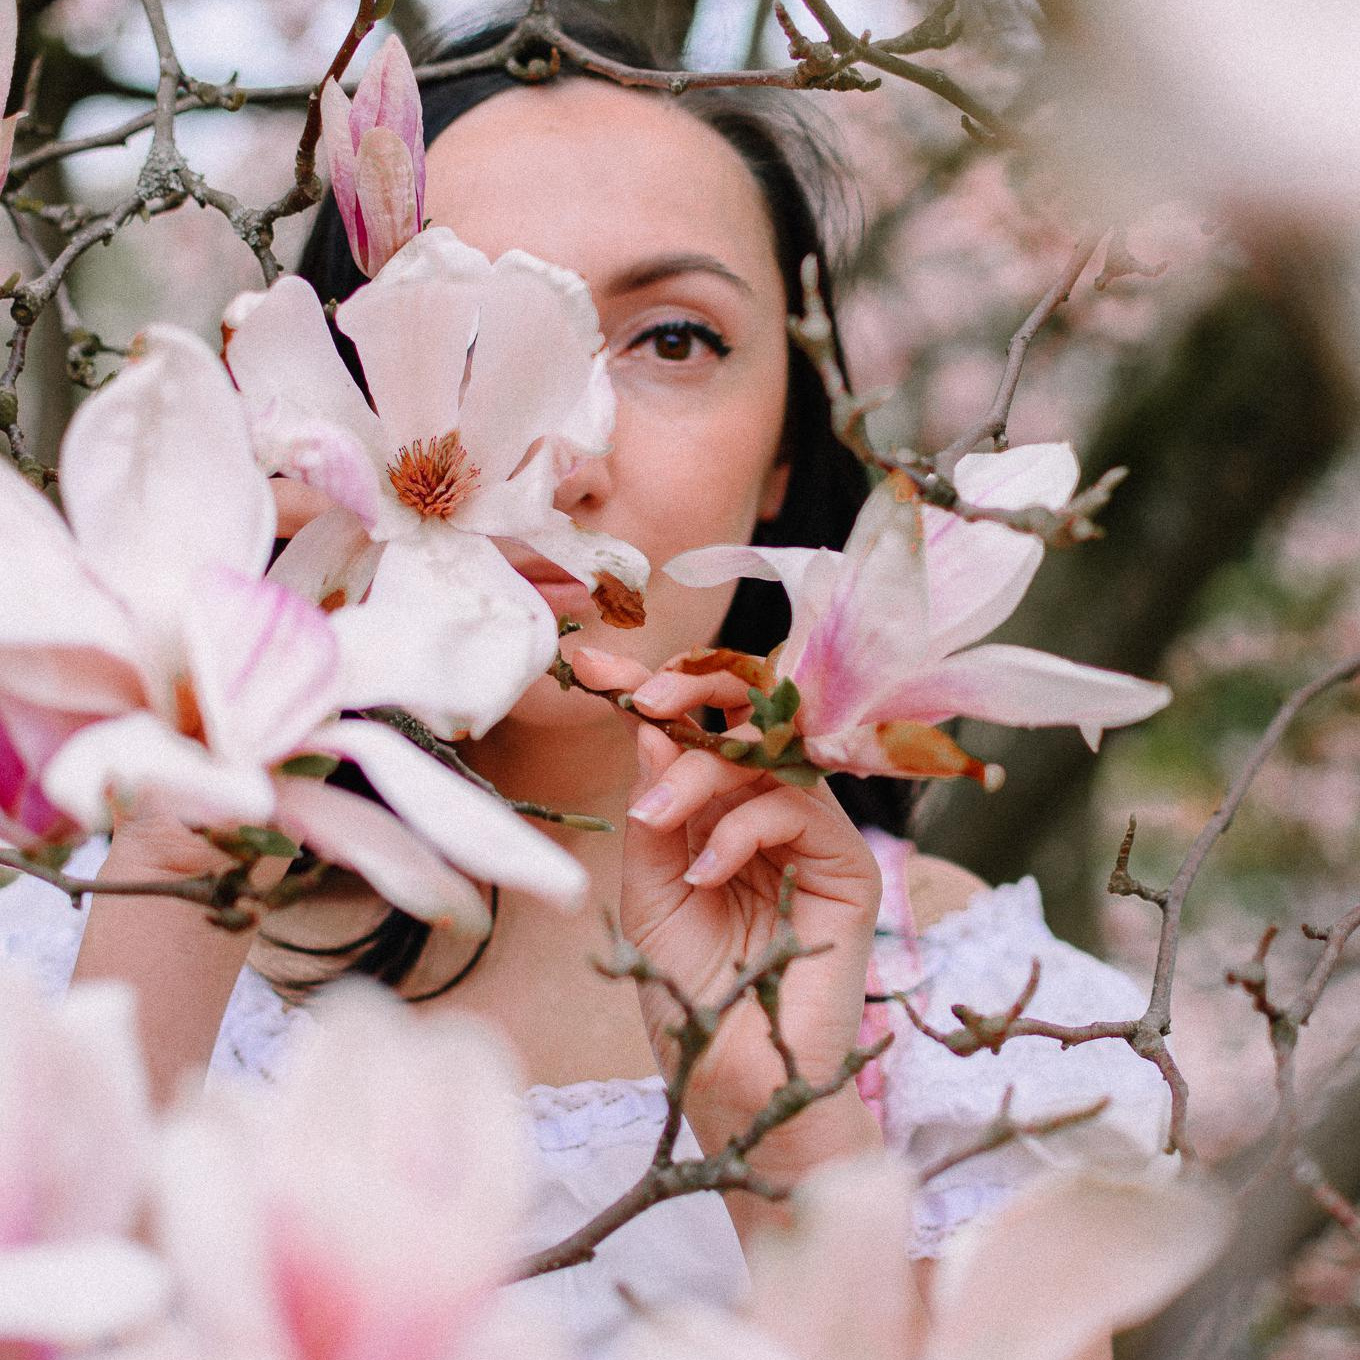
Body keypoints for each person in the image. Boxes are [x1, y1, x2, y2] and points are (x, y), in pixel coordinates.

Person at [0, 7, 1167, 1358]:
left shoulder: (985, 1030)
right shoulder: (56, 951)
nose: (566, 455)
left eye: (671, 340)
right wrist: (182, 863)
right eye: (469, 324)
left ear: (787, 456)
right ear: (310, 406)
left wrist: (778, 1120)